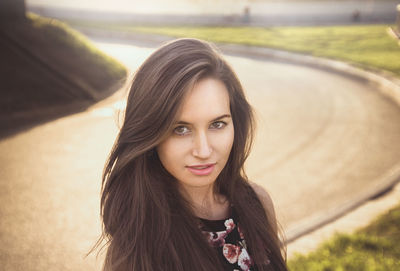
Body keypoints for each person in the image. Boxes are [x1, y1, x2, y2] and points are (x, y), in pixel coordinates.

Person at [97, 38, 288, 271]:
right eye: (181, 129)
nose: (204, 150)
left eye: (217, 124)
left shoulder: (257, 203)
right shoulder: (137, 242)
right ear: (151, 134)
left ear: (235, 123)